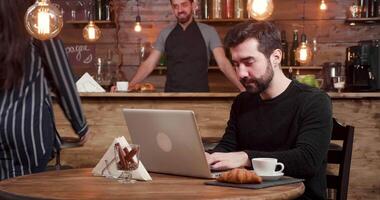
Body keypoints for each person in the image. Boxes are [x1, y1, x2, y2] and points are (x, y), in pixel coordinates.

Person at [205, 22, 332, 200]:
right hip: (250, 196)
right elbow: (227, 146)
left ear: (276, 57)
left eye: (248, 62)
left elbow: (307, 160)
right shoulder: (242, 101)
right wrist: (207, 157)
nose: (241, 73)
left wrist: (246, 157)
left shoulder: (314, 101)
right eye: (236, 64)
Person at [0, 0, 90, 180]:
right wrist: (81, 125)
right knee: (24, 190)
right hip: (27, 131)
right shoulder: (39, 20)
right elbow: (61, 78)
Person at [129, 0, 244, 92]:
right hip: (171, 97)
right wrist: (130, 85)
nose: (180, 10)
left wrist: (241, 87)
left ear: (193, 5)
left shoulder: (209, 31)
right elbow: (149, 64)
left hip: (201, 97)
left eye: (184, 5)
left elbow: (223, 62)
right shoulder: (165, 33)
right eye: (175, 6)